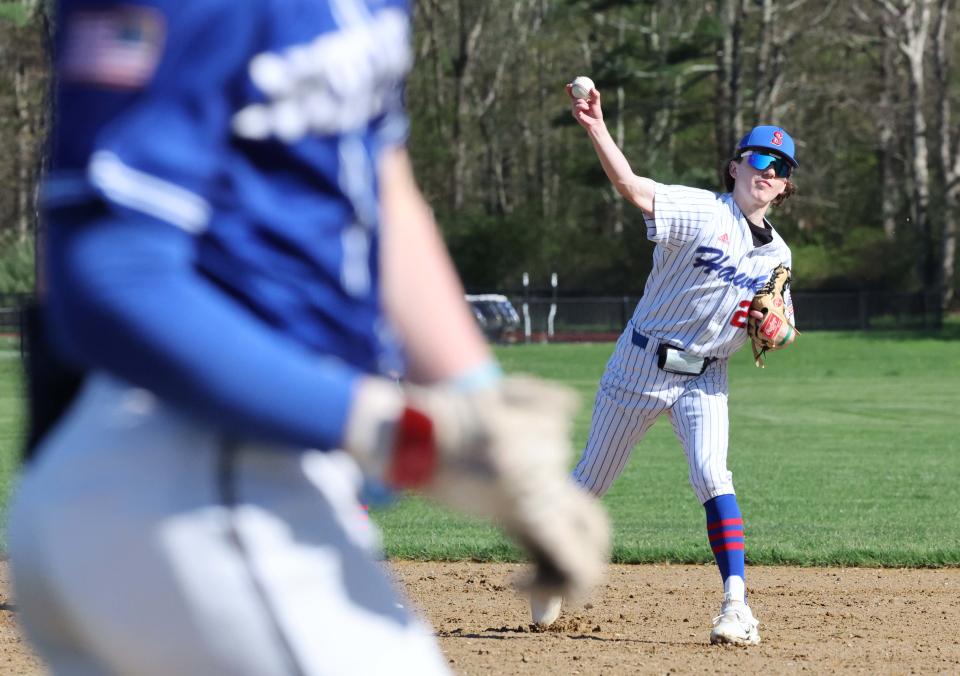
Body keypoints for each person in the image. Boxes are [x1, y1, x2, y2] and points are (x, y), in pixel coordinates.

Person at [7, 3, 611, 674]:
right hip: (187, 471)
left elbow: (378, 174)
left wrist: (488, 415)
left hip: (248, 479)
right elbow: (111, 279)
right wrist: (406, 436)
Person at [530, 81, 798, 645]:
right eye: (757, 158)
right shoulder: (701, 210)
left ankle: (735, 606)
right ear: (734, 167)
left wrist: (780, 328)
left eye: (779, 165)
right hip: (640, 366)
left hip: (707, 377)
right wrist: (595, 125)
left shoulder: (778, 255)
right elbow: (629, 186)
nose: (766, 169)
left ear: (785, 184)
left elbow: (784, 324)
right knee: (589, 483)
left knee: (712, 474)